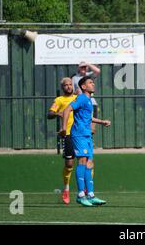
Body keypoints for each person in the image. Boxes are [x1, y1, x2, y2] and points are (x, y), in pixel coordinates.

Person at [60, 76, 111, 207]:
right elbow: (67, 110)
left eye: (93, 82)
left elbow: (88, 117)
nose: (93, 84)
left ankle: (91, 195)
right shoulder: (82, 97)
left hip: (86, 135)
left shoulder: (88, 100)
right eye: (90, 83)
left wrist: (102, 122)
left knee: (89, 163)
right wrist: (64, 128)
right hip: (79, 134)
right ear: (83, 87)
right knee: (82, 162)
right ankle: (80, 195)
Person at [47, 77, 77, 205]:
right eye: (66, 85)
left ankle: (87, 191)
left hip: (81, 134)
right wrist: (58, 113)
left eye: (70, 84)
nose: (69, 86)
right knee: (69, 164)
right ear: (62, 87)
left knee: (87, 161)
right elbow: (49, 114)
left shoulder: (78, 98)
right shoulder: (59, 100)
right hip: (68, 134)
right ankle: (66, 189)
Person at [72, 61, 101, 135]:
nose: (83, 68)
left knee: (91, 128)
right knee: (83, 124)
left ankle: (89, 142)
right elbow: (72, 92)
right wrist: (76, 92)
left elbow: (98, 71)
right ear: (78, 68)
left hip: (91, 102)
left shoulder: (89, 76)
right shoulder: (75, 78)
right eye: (82, 67)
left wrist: (87, 64)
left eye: (84, 67)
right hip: (81, 102)